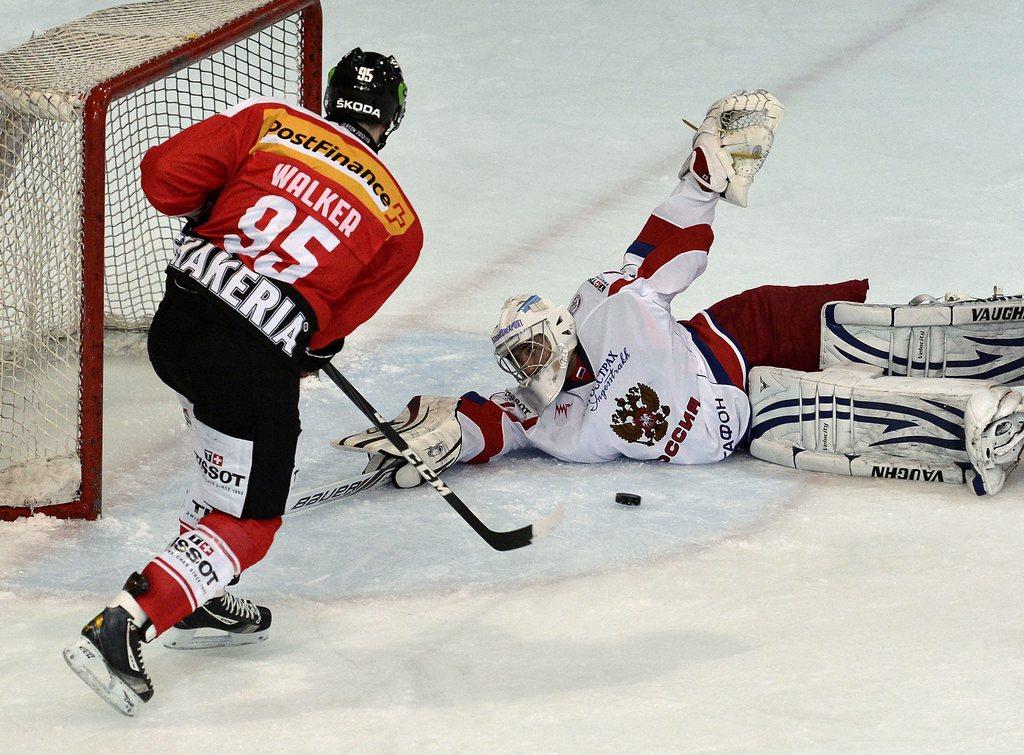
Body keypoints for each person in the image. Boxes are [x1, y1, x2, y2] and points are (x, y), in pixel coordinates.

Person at [339, 90, 1024, 499]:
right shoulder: (552, 416)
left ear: (560, 326)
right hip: (750, 421)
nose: (532, 365)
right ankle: (965, 418)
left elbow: (659, 255)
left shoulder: (605, 307)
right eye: (519, 359)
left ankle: (962, 338)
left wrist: (702, 182)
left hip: (733, 342)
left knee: (840, 321)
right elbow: (496, 422)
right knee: (813, 416)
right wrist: (451, 432)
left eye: (535, 345)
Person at [63, 48, 423, 716]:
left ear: (331, 94)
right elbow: (322, 336)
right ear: (393, 117)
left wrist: (213, 208)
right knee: (252, 523)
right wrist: (298, 334)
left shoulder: (271, 121)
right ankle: (128, 617)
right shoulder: (401, 223)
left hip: (177, 327)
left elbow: (162, 177)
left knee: (221, 463)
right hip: (247, 361)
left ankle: (194, 597)